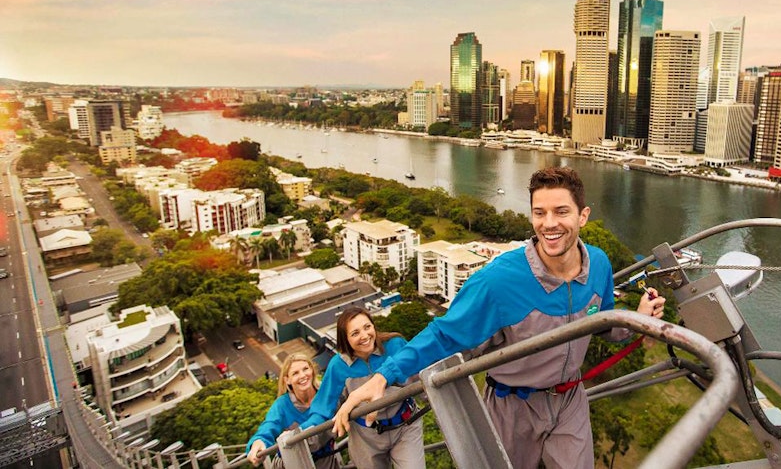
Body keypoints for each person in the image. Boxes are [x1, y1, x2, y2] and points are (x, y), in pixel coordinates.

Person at [332, 166, 666, 469]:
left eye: (561, 211)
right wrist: (383, 377)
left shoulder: (599, 265)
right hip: (511, 407)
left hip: (570, 401)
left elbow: (603, 321)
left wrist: (637, 319)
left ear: (583, 216)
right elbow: (444, 335)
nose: (549, 223)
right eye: (539, 213)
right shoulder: (497, 281)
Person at [302, 306, 425, 469]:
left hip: (405, 425)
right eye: (355, 333)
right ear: (345, 339)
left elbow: (421, 376)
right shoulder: (338, 367)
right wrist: (301, 434)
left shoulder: (394, 345)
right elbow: (323, 408)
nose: (364, 336)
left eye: (367, 327)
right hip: (365, 437)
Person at [246, 353, 338, 468]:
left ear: (312, 370)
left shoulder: (326, 393)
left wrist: (294, 434)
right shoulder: (282, 405)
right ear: (287, 380)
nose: (302, 375)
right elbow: (270, 425)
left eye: (305, 369)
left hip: (325, 458)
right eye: (295, 373)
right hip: (292, 463)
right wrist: (259, 441)